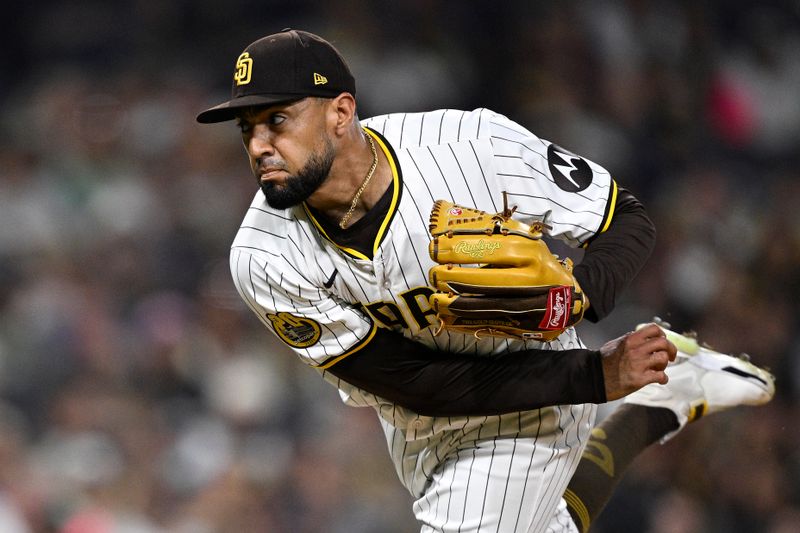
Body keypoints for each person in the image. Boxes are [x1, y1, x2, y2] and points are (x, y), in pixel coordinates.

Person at [196, 29, 774, 533]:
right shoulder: (263, 256)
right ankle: (664, 401)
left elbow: (624, 219)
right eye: (246, 129)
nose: (258, 146)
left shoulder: (465, 147)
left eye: (277, 120)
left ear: (341, 113)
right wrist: (598, 374)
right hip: (422, 421)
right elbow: (413, 381)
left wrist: (579, 300)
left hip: (540, 394)